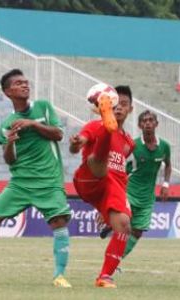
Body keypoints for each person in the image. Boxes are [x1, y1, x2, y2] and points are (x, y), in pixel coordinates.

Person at [0, 69, 72, 288]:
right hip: (21, 182)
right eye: (18, 83)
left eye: (26, 82)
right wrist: (11, 142)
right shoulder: (7, 124)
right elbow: (9, 160)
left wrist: (33, 124)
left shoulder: (43, 107)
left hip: (48, 180)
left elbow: (59, 134)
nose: (25, 85)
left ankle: (59, 275)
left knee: (58, 222)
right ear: (7, 92)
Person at [69, 85, 135, 288]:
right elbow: (76, 146)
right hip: (89, 178)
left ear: (130, 109)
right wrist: (76, 142)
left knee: (124, 225)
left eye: (123, 104)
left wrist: (105, 207)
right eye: (114, 104)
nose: (119, 107)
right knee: (98, 161)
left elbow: (124, 174)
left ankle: (104, 277)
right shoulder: (93, 125)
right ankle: (109, 129)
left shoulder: (129, 143)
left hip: (111, 188)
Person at [99, 110, 172, 259]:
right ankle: (110, 223)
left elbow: (168, 165)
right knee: (124, 225)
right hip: (129, 192)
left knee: (137, 232)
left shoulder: (164, 146)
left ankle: (117, 259)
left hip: (147, 198)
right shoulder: (133, 145)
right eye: (144, 121)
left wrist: (165, 184)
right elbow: (117, 161)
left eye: (151, 120)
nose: (148, 123)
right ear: (140, 125)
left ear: (156, 124)